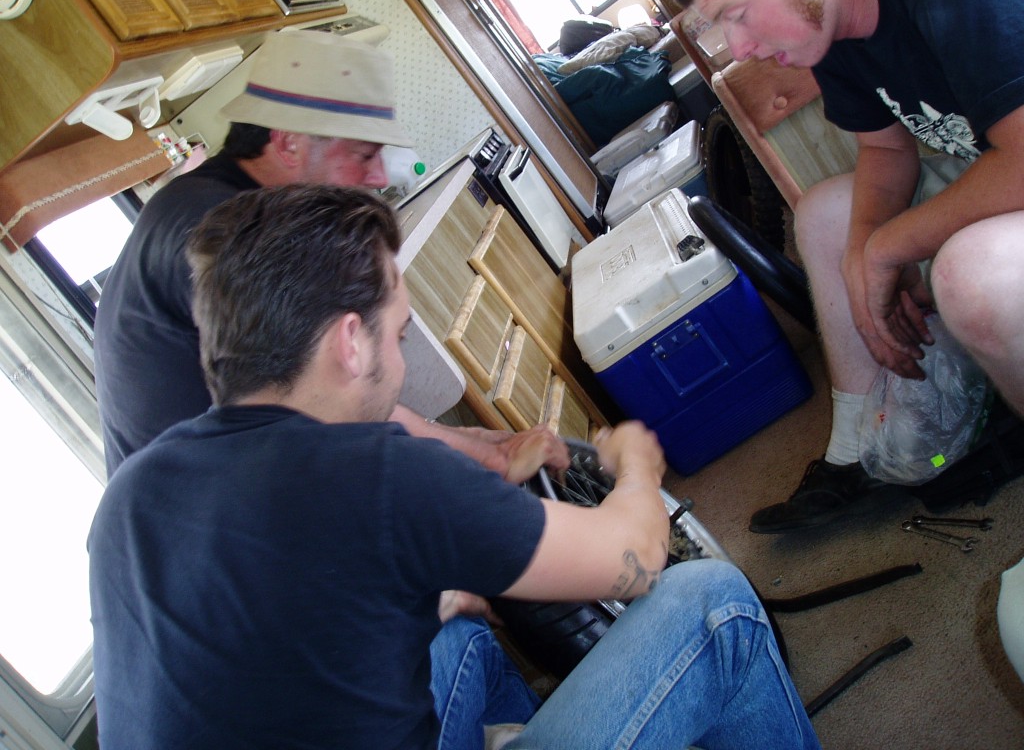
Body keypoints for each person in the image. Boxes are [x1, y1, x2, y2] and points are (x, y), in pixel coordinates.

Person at [88, 184, 820, 750]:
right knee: (714, 603)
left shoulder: (132, 493)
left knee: (458, 637)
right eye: (399, 332)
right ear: (350, 342)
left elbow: (271, 654)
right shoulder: (376, 475)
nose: (401, 361)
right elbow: (633, 557)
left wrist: (437, 595)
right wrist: (635, 467)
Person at [93, 28, 566, 483]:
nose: (378, 174)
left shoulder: (242, 207)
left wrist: (471, 442)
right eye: (363, 154)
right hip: (203, 523)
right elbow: (327, 401)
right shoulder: (213, 227)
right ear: (289, 142)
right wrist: (479, 453)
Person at [666, 0, 1024, 532]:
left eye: (736, 15)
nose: (738, 48)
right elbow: (884, 150)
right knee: (824, 214)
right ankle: (857, 450)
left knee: (967, 277)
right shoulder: (833, 24)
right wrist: (861, 259)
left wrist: (887, 249)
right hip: (1002, 162)